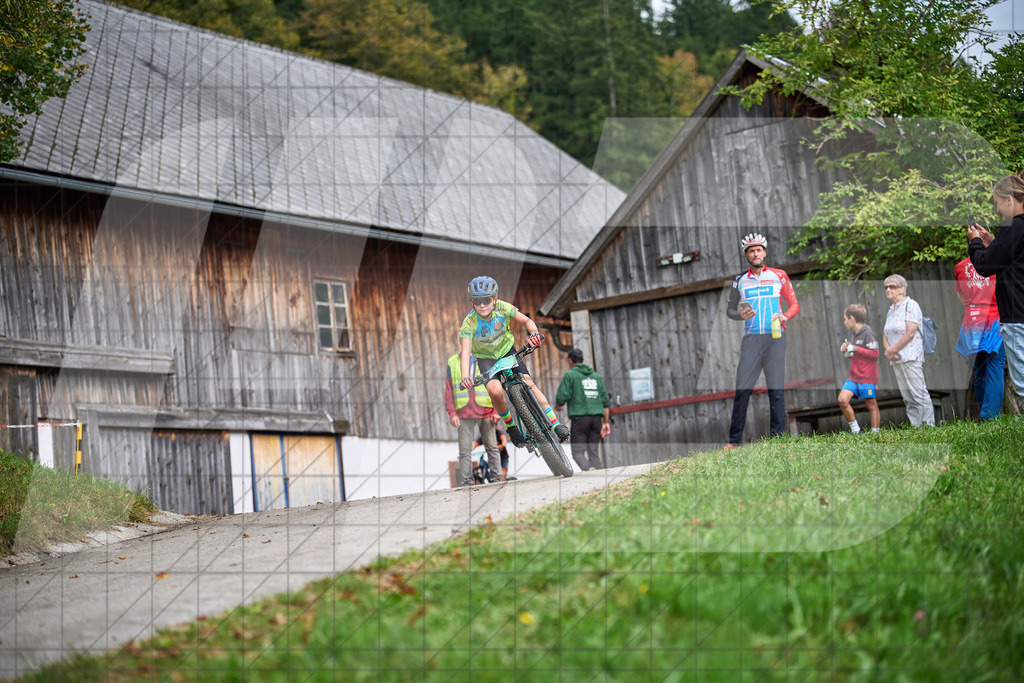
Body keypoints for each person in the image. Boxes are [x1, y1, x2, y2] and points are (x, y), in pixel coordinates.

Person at [458, 276, 570, 449]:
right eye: (477, 301)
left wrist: (533, 334)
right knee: (494, 390)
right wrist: (465, 377)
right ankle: (512, 427)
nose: (482, 305)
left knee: (528, 383)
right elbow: (465, 352)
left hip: (507, 351)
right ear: (472, 302)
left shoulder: (503, 307)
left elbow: (527, 320)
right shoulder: (469, 322)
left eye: (486, 300)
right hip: (486, 359)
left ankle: (555, 424)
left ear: (494, 299)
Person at [724, 233, 799, 448]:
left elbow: (794, 304)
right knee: (742, 390)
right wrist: (741, 315)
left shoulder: (779, 275)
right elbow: (730, 310)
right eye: (751, 250)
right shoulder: (739, 280)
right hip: (752, 340)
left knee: (776, 389)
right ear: (746, 255)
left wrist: (786, 316)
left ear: (764, 252)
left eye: (758, 250)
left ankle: (778, 439)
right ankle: (733, 442)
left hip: (775, 337)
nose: (755, 253)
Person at [968, 173, 1024, 400]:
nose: (998, 209)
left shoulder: (1013, 227)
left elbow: (984, 266)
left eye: (998, 203)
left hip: (1017, 315)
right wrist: (993, 244)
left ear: (1009, 199)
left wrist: (975, 243)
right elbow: (1011, 259)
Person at [954, 253, 1005, 419]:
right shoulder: (998, 261)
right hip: (995, 321)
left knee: (979, 370)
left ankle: (985, 413)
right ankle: (990, 416)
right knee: (995, 368)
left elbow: (960, 296)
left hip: (972, 322)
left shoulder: (960, 266)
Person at [882, 274, 935, 427]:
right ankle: (916, 426)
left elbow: (910, 332)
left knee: (918, 393)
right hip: (896, 358)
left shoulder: (911, 305)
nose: (888, 289)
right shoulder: (891, 309)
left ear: (902, 289)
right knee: (907, 396)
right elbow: (886, 333)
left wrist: (893, 350)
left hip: (910, 355)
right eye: (886, 287)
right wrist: (889, 352)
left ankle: (929, 426)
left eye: (892, 286)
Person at [443, 350, 501, 485]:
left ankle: (496, 480)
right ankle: (467, 483)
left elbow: (495, 386)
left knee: (492, 447)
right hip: (463, 414)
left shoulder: (486, 358)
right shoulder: (452, 362)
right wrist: (452, 413)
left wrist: (496, 410)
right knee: (464, 451)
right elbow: (449, 391)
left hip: (486, 411)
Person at [555, 348, 611, 470]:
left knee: (577, 453)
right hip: (596, 421)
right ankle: (599, 479)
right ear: (583, 359)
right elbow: (605, 402)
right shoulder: (596, 376)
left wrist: (558, 406)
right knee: (593, 453)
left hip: (580, 421)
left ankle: (588, 469)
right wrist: (606, 422)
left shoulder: (570, 375)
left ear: (570, 361)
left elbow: (561, 398)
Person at [837, 304, 880, 433]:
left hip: (867, 376)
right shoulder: (854, 334)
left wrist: (855, 348)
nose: (844, 322)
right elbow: (858, 355)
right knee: (842, 400)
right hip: (854, 376)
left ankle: (875, 433)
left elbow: (875, 354)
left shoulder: (868, 333)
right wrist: (847, 350)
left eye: (845, 319)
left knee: (871, 404)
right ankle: (856, 431)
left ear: (852, 318)